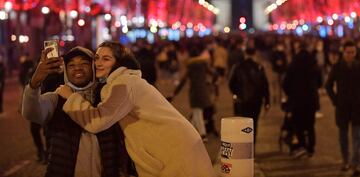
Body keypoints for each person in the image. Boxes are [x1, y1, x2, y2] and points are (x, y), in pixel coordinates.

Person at [58, 41, 215, 177]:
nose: (98, 63)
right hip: (175, 147)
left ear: (119, 62)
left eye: (106, 59)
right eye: (97, 58)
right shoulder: (124, 81)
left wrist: (71, 97)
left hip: (174, 152)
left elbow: (98, 120)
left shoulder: (123, 83)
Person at [22, 46, 133, 177]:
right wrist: (35, 82)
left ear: (93, 67)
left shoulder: (108, 97)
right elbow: (31, 112)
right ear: (66, 71)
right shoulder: (57, 98)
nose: (77, 68)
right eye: (71, 65)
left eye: (84, 63)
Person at [325, 41, 360, 176]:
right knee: (343, 136)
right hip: (342, 107)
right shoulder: (337, 67)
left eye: (353, 52)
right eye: (348, 52)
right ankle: (345, 161)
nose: (351, 55)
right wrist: (335, 100)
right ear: (343, 53)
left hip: (357, 107)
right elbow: (328, 85)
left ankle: (356, 164)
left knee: (357, 137)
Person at [171, 43, 216, 141]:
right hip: (204, 90)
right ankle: (190, 131)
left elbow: (183, 80)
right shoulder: (203, 63)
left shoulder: (190, 65)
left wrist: (175, 93)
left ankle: (202, 134)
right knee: (197, 112)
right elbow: (214, 74)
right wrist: (211, 83)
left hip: (195, 91)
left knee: (197, 112)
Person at [283, 45, 322, 158]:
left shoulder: (293, 66)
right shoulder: (314, 66)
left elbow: (286, 84)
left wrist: (290, 94)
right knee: (310, 125)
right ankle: (311, 148)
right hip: (311, 100)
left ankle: (302, 145)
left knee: (298, 124)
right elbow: (319, 83)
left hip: (297, 100)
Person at [228, 47, 270, 145]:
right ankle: (252, 147)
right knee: (254, 124)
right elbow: (265, 86)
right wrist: (267, 101)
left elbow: (231, 84)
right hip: (256, 101)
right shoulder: (259, 67)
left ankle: (244, 147)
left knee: (243, 125)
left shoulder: (237, 67)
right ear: (255, 54)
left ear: (245, 54)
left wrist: (238, 93)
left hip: (242, 101)